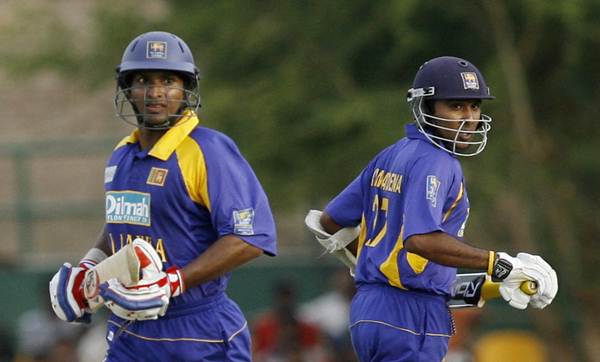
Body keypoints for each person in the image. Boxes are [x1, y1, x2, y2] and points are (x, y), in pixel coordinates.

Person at [48, 31, 277, 361]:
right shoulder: (121, 154)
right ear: (127, 89)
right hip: (130, 330)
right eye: (143, 80)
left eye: (168, 80)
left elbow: (250, 238)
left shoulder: (207, 150)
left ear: (186, 89)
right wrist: (90, 266)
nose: (155, 92)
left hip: (199, 333)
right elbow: (120, 222)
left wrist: (174, 282)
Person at [315, 56, 558, 361]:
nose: (469, 117)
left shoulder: (391, 154)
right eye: (456, 106)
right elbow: (421, 240)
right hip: (410, 318)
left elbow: (329, 220)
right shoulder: (438, 161)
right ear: (426, 107)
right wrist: (499, 263)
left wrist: (484, 286)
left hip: (371, 311)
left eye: (474, 106)